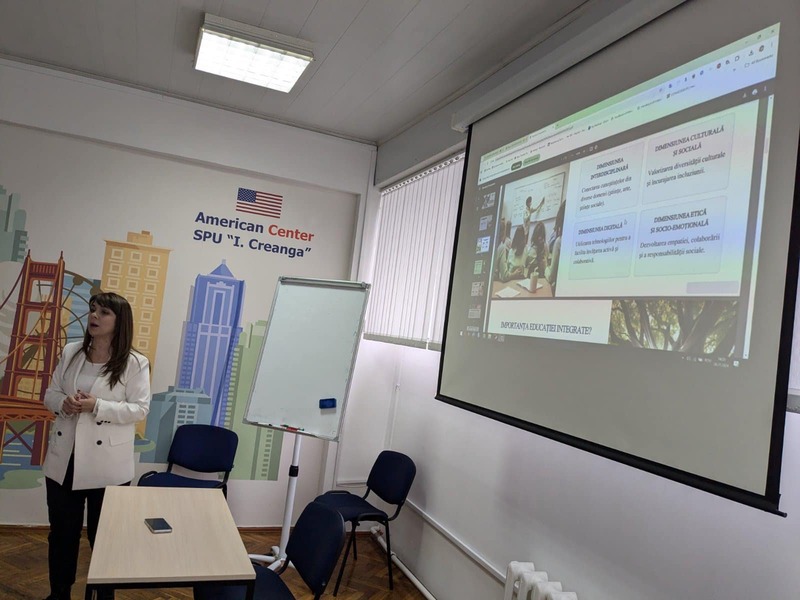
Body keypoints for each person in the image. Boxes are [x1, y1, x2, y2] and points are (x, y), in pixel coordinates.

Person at [42, 292, 151, 600]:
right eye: (93, 309)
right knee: (62, 535)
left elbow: (140, 409)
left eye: (104, 312)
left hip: (107, 466)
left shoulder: (135, 363)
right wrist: (63, 403)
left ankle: (104, 596)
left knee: (104, 539)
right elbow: (50, 393)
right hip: (65, 460)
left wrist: (97, 406)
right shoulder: (71, 351)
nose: (94, 316)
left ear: (120, 321)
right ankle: (59, 594)